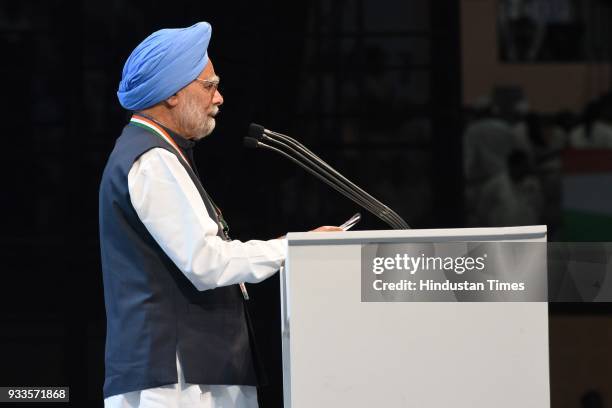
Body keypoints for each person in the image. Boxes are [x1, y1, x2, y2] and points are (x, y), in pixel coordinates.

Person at [99, 21, 341, 408]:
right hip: (177, 381)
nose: (219, 98)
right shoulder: (152, 159)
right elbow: (205, 262)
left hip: (194, 373)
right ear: (173, 94)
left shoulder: (162, 154)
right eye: (208, 86)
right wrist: (294, 248)